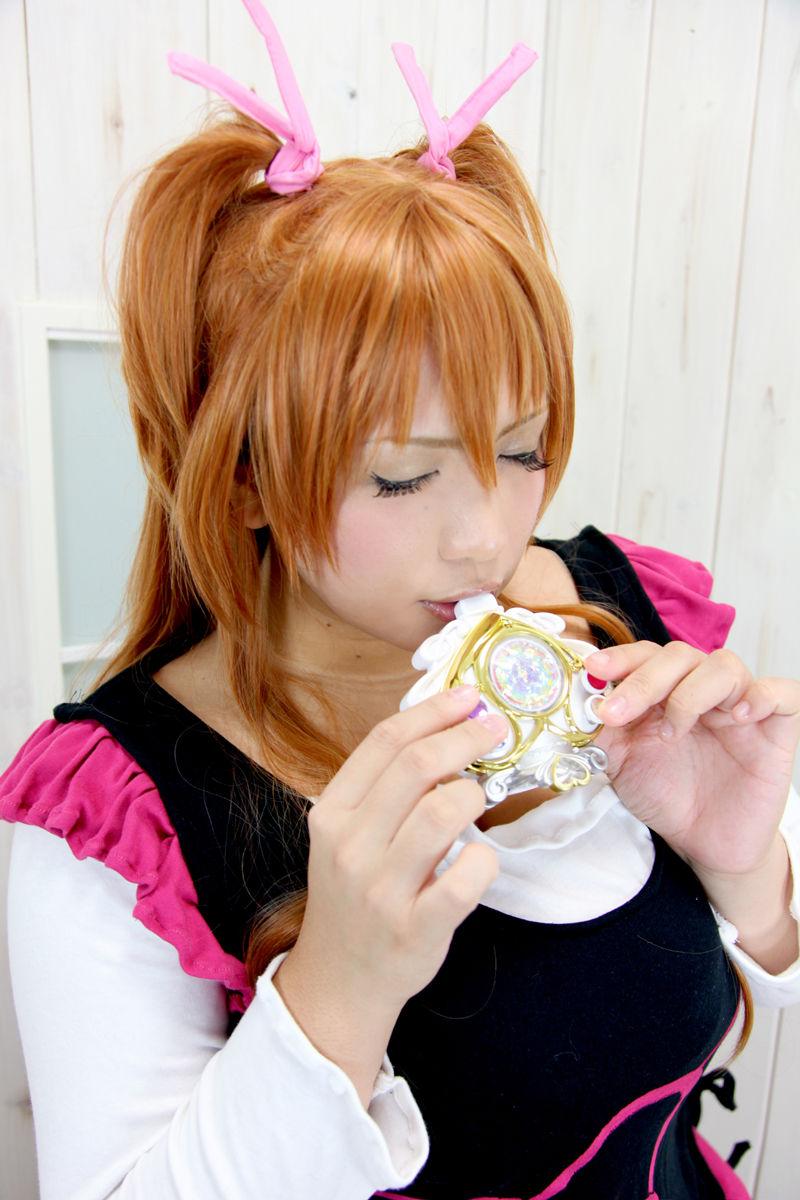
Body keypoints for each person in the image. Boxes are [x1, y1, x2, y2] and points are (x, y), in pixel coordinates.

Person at [3, 3, 800, 1198]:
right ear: (243, 475)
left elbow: (757, 972)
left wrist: (747, 875)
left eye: (520, 450)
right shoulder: (125, 816)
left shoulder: (620, 614)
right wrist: (337, 990)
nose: (485, 536)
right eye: (399, 475)